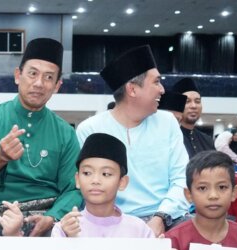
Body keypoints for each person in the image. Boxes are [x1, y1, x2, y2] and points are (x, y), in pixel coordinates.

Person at [0, 37, 81, 237]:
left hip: (46, 217)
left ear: (57, 86)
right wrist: (0, 156)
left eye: (48, 77)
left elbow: (74, 188)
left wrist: (53, 217)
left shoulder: (65, 132)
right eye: (32, 73)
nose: (39, 83)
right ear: (18, 76)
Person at [77, 45, 188, 236]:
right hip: (110, 222)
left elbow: (182, 178)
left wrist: (161, 217)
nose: (162, 90)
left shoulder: (167, 122)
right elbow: (84, 185)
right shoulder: (91, 129)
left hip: (168, 218)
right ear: (133, 89)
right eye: (156, 82)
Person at [51, 133, 179, 250]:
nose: (95, 180)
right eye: (87, 173)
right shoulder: (65, 227)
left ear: (122, 182)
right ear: (77, 180)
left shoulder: (139, 230)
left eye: (106, 174)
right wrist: (67, 241)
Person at [172, 77, 214, 158]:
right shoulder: (170, 137)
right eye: (187, 101)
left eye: (197, 101)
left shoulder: (207, 140)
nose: (194, 106)